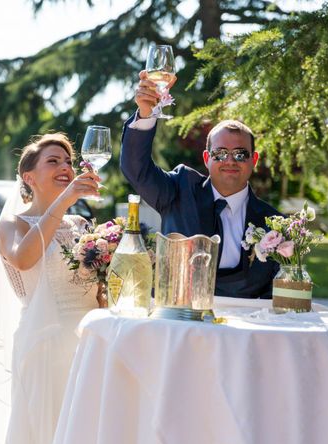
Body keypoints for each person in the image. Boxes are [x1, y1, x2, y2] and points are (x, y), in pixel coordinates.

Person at [0, 133, 100, 444]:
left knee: (85, 437)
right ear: (29, 177)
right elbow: (24, 258)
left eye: (68, 161)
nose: (65, 167)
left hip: (88, 343)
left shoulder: (81, 225)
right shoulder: (12, 224)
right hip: (43, 345)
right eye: (54, 161)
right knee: (44, 440)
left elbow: (97, 287)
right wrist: (63, 201)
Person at [120, 71, 280, 298]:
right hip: (178, 320)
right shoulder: (178, 189)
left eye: (241, 154)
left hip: (244, 327)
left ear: (254, 160)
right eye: (220, 153)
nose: (230, 161)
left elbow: (274, 292)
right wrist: (147, 113)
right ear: (206, 158)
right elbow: (137, 169)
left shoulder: (273, 223)